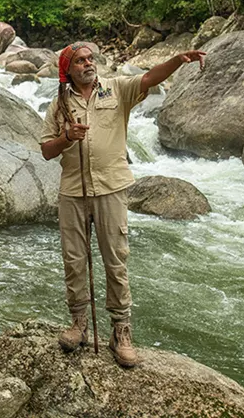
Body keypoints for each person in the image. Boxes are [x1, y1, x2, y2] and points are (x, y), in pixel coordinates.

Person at [39, 42, 206, 368]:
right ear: (68, 69)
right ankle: (79, 324)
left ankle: (121, 331)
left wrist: (175, 61)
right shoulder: (58, 104)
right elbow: (46, 150)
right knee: (74, 259)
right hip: (73, 191)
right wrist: (67, 138)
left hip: (112, 188)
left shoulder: (116, 89)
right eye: (80, 61)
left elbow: (147, 79)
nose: (88, 64)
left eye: (90, 58)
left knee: (116, 260)